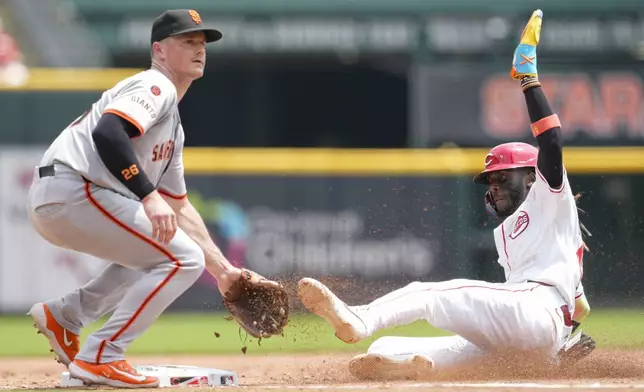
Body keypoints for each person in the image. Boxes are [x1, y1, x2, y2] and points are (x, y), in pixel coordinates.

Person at [297, 10, 596, 380]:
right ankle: (410, 368)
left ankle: (362, 317)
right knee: (381, 351)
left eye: (502, 176)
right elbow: (580, 306)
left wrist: (528, 79)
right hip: (531, 334)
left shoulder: (549, 196)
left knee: (430, 292)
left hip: (534, 309)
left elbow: (550, 140)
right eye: (490, 180)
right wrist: (562, 342)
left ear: (531, 177)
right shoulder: (513, 232)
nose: (494, 185)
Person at [27, 9, 250, 388]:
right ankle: (102, 355)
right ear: (159, 50)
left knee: (164, 247)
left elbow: (178, 206)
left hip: (65, 196)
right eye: (187, 41)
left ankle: (66, 316)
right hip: (75, 188)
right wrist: (147, 194)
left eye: (202, 43)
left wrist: (224, 271)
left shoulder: (172, 129)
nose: (199, 50)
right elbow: (109, 133)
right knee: (182, 258)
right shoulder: (155, 85)